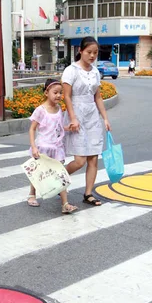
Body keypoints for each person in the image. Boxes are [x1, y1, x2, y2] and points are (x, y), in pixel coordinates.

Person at [62, 36, 112, 207]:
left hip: (92, 116)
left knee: (93, 158)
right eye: (89, 52)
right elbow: (66, 96)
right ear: (80, 51)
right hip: (76, 114)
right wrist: (73, 117)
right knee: (79, 160)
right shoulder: (71, 70)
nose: (92, 56)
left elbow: (97, 97)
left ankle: (88, 193)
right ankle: (58, 178)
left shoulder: (95, 72)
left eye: (95, 53)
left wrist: (105, 118)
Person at [27, 78, 78, 214]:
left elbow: (59, 127)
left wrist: (68, 128)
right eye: (55, 92)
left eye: (60, 93)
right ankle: (32, 194)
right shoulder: (40, 110)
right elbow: (32, 129)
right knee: (38, 172)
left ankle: (65, 204)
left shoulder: (59, 109)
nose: (58, 96)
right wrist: (34, 147)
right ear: (46, 93)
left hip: (57, 147)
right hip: (43, 146)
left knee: (60, 174)